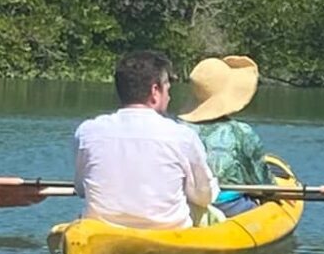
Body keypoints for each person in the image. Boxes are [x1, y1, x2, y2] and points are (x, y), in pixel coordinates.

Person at [73, 50, 218, 229]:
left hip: (102, 232)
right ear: (155, 91)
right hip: (168, 235)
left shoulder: (88, 132)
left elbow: (80, 188)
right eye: (167, 88)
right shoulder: (182, 136)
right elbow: (204, 196)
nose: (169, 96)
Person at [179, 55, 271, 218]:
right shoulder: (241, 133)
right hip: (230, 207)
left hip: (186, 205)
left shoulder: (177, 130)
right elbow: (264, 184)